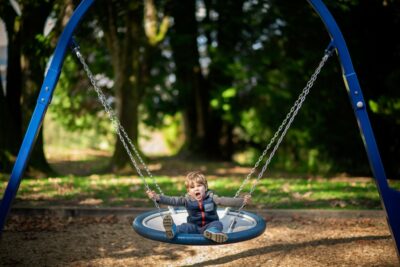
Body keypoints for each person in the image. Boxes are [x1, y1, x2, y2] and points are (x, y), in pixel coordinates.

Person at [146, 171, 251, 243]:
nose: (196, 189)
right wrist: (157, 197)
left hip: (209, 225)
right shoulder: (186, 200)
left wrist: (242, 201)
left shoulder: (212, 198)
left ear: (205, 187)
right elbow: (172, 200)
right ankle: (172, 230)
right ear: (188, 191)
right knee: (184, 227)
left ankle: (213, 232)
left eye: (199, 186)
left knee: (218, 223)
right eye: (192, 187)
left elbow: (226, 201)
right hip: (194, 226)